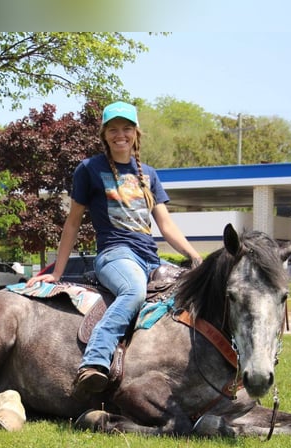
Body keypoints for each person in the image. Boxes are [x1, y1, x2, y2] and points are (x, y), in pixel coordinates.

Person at [26, 101, 203, 394]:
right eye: (113, 129)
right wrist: (56, 273)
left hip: (151, 259)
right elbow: (71, 224)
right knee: (132, 292)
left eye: (126, 128)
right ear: (104, 135)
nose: (120, 135)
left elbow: (166, 226)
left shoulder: (149, 174)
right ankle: (94, 362)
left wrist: (195, 257)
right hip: (115, 255)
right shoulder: (89, 169)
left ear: (136, 133)